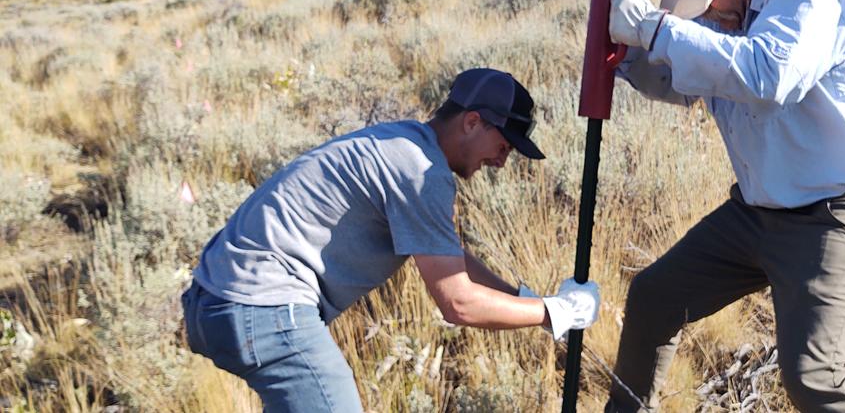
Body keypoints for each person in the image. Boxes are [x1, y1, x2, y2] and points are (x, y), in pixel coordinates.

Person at [180, 68, 600, 412]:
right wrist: (553, 313)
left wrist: (527, 299)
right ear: (472, 122)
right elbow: (458, 303)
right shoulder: (422, 174)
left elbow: (450, 260)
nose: (502, 162)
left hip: (216, 302)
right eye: (504, 145)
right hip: (260, 308)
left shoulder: (405, 144)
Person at [604, 0, 845, 410]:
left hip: (835, 213)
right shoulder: (723, 5)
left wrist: (655, 29)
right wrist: (626, 46)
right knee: (652, 299)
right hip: (754, 213)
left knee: (812, 377)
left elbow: (769, 76)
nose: (704, 14)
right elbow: (669, 80)